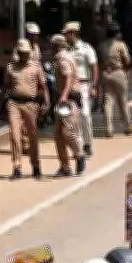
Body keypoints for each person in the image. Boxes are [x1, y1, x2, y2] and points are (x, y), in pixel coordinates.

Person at [3, 39, 49, 180]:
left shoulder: (36, 67)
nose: (24, 55)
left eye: (26, 52)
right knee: (15, 135)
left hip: (31, 104)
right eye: (22, 52)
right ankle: (17, 167)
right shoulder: (11, 67)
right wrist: (2, 104)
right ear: (18, 52)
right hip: (14, 103)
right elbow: (6, 86)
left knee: (32, 135)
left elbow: (43, 87)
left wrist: (46, 102)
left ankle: (36, 166)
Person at [50, 34, 85, 176]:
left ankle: (79, 154)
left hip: (68, 100)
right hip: (64, 99)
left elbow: (68, 78)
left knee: (67, 131)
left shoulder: (63, 59)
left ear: (55, 46)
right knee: (58, 134)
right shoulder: (63, 57)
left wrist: (64, 95)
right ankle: (64, 167)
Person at [63, 21, 99, 158]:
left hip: (84, 85)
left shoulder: (86, 48)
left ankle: (88, 144)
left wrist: (94, 86)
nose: (66, 36)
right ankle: (78, 147)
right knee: (73, 118)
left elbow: (94, 68)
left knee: (85, 115)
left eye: (67, 33)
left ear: (73, 33)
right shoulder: (66, 50)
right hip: (70, 86)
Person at [101, 23, 132, 136]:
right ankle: (128, 125)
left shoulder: (102, 45)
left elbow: (99, 60)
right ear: (117, 33)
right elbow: (127, 60)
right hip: (118, 72)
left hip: (106, 73)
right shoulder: (120, 45)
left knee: (108, 102)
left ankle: (108, 129)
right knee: (123, 101)